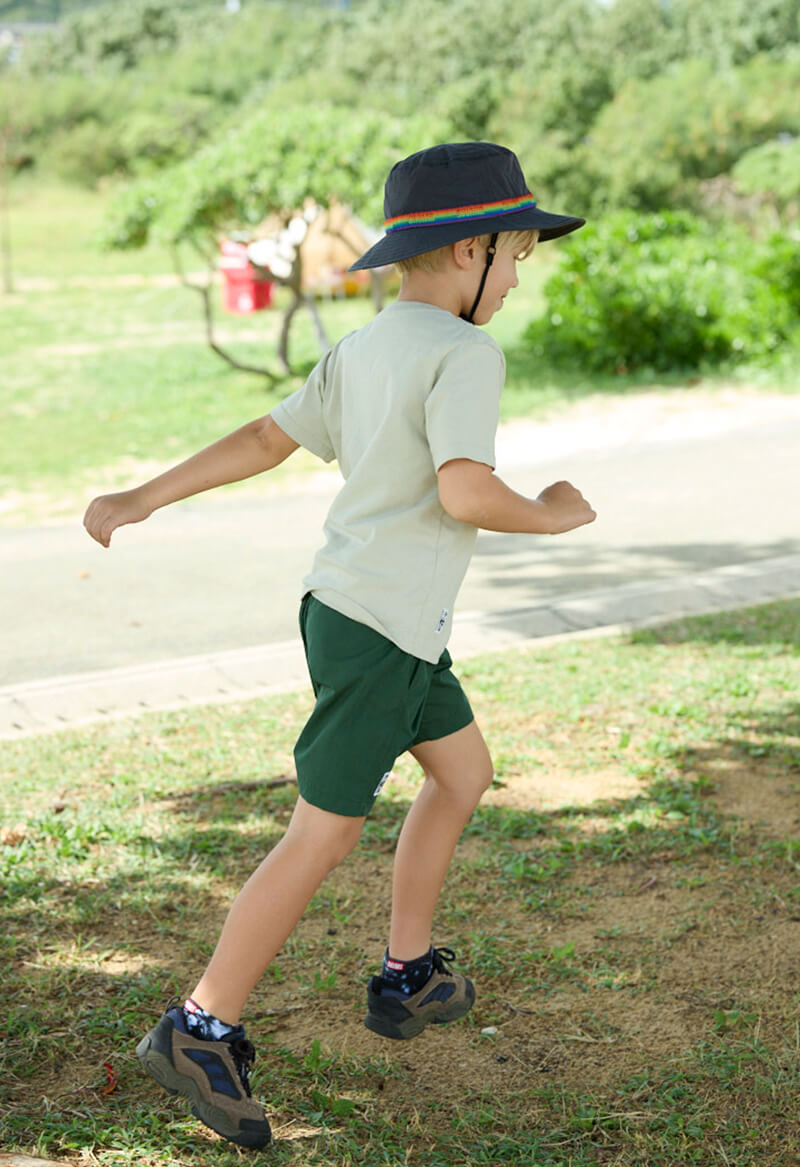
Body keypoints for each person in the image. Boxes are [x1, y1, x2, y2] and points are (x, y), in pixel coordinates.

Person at [83, 141, 595, 1150]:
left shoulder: (366, 347)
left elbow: (267, 439)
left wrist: (143, 495)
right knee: (323, 831)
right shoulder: (463, 353)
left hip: (368, 616)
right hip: (377, 632)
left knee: (461, 773)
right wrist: (549, 511)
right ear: (468, 252)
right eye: (518, 253)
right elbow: (464, 489)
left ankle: (406, 974)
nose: (519, 274)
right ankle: (199, 1024)